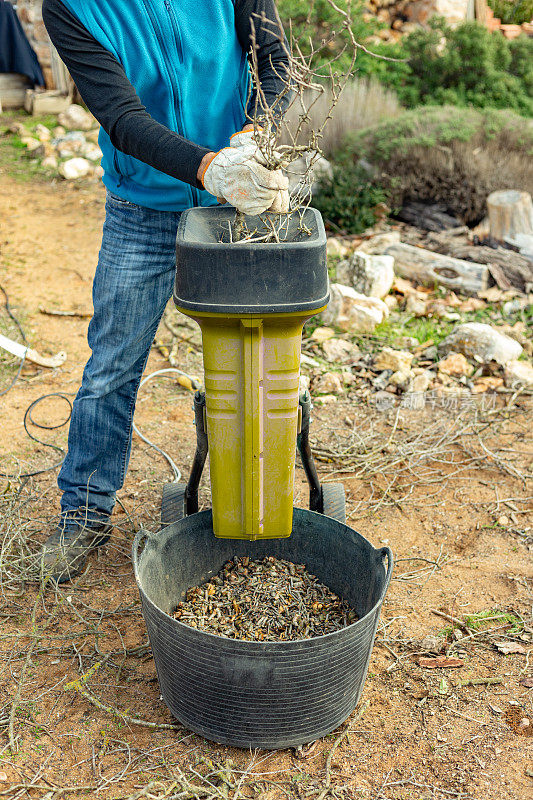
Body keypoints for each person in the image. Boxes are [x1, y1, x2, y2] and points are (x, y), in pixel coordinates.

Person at [40, 0, 290, 582]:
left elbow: (275, 60)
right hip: (143, 211)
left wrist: (254, 138)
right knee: (112, 366)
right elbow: (122, 119)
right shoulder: (73, 8)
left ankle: (258, 495)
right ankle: (84, 514)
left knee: (259, 357)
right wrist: (207, 167)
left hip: (239, 203)